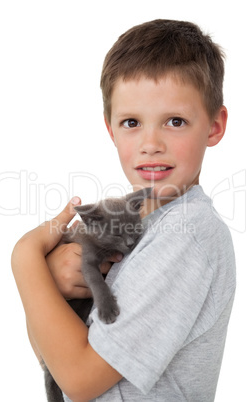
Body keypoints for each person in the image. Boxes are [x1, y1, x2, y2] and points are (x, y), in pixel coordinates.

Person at [12, 19, 236, 401]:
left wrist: (25, 258)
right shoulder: (134, 224)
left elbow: (79, 381)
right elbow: (49, 353)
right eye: (132, 122)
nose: (151, 143)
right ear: (111, 129)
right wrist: (53, 285)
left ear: (214, 126)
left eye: (175, 121)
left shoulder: (188, 234)